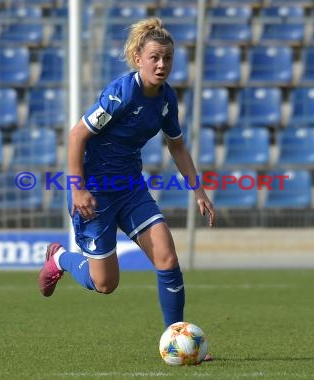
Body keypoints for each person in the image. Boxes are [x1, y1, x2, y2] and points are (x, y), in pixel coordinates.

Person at [38, 17, 215, 357]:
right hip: (94, 192)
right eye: (155, 57)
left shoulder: (166, 100)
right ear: (138, 58)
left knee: (166, 255)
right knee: (105, 284)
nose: (162, 64)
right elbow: (77, 136)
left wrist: (199, 191)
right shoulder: (120, 93)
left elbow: (176, 145)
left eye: (167, 59)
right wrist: (77, 189)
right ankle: (59, 258)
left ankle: (175, 339)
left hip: (131, 188)